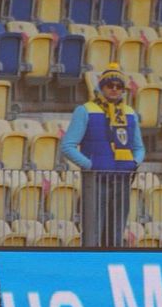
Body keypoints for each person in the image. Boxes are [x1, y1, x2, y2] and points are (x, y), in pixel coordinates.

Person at [59, 63, 145, 248]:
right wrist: (91, 166)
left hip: (122, 179)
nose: (114, 90)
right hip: (96, 181)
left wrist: (133, 163)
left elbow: (139, 147)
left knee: (116, 233)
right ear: (101, 87)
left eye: (119, 86)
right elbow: (67, 146)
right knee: (93, 232)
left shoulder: (130, 113)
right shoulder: (85, 110)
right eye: (110, 85)